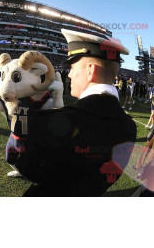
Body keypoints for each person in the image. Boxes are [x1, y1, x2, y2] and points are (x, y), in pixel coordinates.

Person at [15, 29, 137, 197]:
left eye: (72, 67)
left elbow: (26, 167)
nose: (70, 74)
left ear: (90, 70)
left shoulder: (47, 121)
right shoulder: (130, 127)